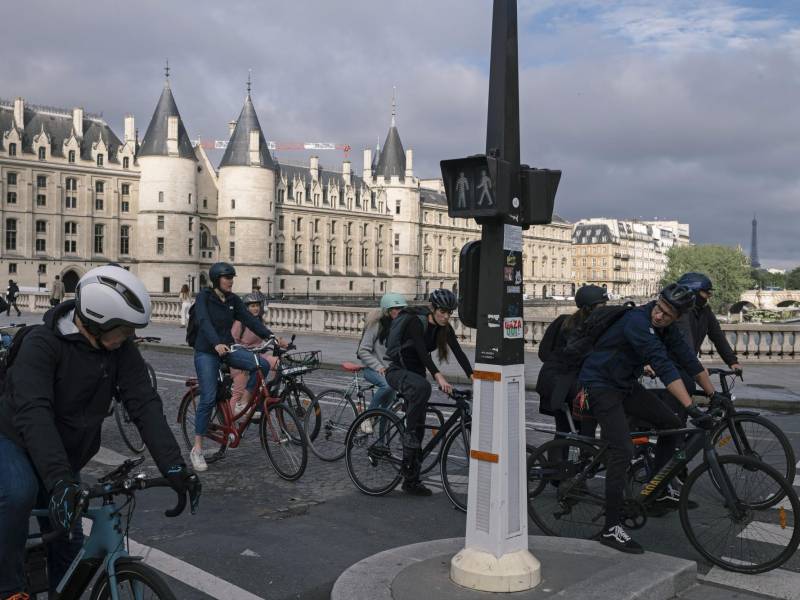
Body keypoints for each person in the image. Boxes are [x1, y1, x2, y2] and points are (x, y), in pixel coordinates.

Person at [0, 265, 199, 599]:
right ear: (96, 320)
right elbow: (34, 414)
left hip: (65, 450)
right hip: (15, 439)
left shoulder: (119, 349)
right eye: (124, 328)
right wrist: (60, 480)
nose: (130, 336)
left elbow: (145, 404)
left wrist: (174, 466)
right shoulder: (42, 344)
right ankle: (9, 589)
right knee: (19, 493)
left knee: (69, 541)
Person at [578, 283, 717, 554]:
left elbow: (688, 360)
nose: (659, 315)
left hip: (624, 385)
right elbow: (662, 364)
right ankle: (610, 528)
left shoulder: (669, 329)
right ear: (657, 301)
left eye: (667, 314)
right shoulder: (637, 321)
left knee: (672, 425)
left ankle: (658, 489)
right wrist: (691, 407)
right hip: (599, 385)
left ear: (678, 317)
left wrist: (713, 394)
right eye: (659, 308)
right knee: (622, 450)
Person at [190, 262, 284, 472]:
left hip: (228, 349)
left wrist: (271, 336)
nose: (231, 281)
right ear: (217, 280)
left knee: (261, 365)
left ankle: (243, 403)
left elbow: (250, 320)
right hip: (207, 351)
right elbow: (203, 321)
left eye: (232, 278)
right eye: (227, 278)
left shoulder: (232, 300)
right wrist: (215, 343)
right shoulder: (204, 297)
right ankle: (197, 449)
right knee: (208, 397)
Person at [385, 289, 473, 496]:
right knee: (423, 389)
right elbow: (421, 352)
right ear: (433, 308)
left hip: (416, 375)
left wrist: (473, 376)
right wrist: (438, 376)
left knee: (420, 428)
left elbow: (458, 352)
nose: (446, 316)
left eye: (449, 312)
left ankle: (411, 481)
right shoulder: (416, 322)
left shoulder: (444, 328)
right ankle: (408, 435)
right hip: (398, 371)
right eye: (442, 311)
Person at [536, 285, 608, 436]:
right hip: (569, 386)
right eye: (602, 305)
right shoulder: (592, 328)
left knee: (563, 430)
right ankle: (583, 451)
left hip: (556, 384)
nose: (605, 309)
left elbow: (543, 353)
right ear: (589, 308)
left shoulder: (563, 321)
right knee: (586, 430)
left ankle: (563, 451)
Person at [675, 272, 742, 376]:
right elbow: (686, 342)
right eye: (706, 292)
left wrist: (732, 361)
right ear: (693, 292)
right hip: (673, 365)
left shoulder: (705, 310)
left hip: (688, 363)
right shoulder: (681, 313)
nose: (709, 295)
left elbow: (718, 336)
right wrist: (697, 367)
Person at [229, 293, 285, 410]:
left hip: (257, 355)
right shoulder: (240, 322)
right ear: (246, 308)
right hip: (241, 358)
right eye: (252, 306)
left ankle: (271, 390)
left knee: (279, 363)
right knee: (239, 392)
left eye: (257, 305)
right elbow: (232, 342)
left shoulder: (259, 321)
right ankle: (230, 418)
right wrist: (242, 358)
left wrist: (278, 341)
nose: (256, 308)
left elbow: (266, 336)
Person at [357, 292, 407, 421]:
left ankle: (382, 435)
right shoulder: (376, 325)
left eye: (401, 308)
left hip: (389, 372)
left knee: (387, 411)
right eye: (396, 308)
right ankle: (366, 419)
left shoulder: (399, 327)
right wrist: (379, 367)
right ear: (387, 310)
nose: (399, 311)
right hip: (372, 369)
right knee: (387, 386)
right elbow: (363, 351)